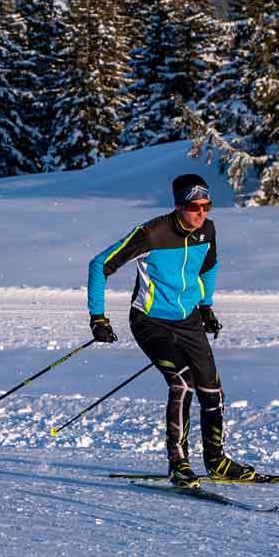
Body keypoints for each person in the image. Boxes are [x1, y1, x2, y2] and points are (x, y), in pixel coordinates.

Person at [85, 173, 257, 486]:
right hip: (150, 321)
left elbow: (210, 265)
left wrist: (205, 305)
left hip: (189, 320)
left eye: (207, 206)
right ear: (179, 206)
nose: (202, 213)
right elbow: (99, 264)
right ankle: (179, 463)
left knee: (212, 390)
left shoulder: (208, 230)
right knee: (182, 382)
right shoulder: (151, 233)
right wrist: (98, 317)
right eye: (195, 207)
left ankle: (216, 461)